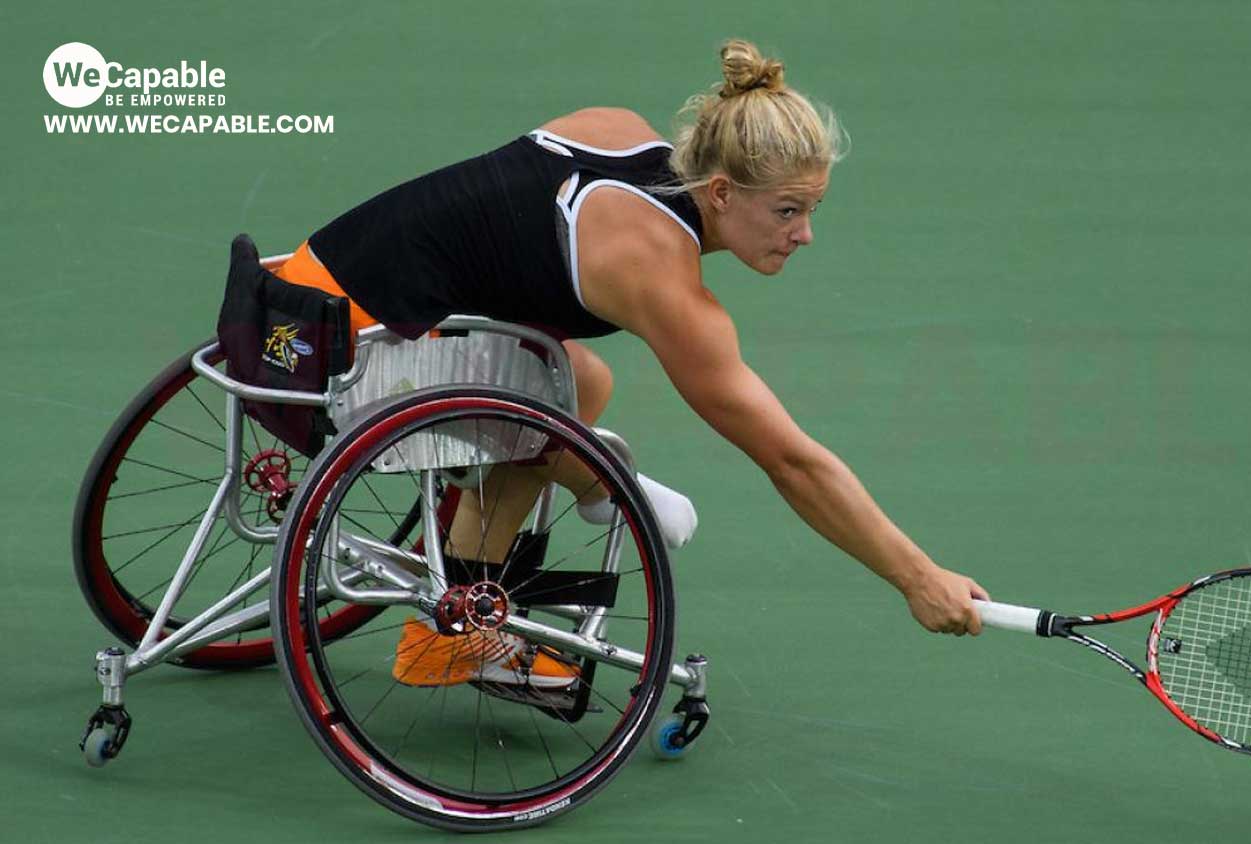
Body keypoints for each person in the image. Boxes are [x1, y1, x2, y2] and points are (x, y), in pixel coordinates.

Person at [270, 39, 991, 689]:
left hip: (285, 313)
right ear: (720, 193)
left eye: (813, 210)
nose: (804, 235)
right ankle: (453, 630)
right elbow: (792, 462)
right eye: (786, 212)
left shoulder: (611, 130)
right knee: (553, 396)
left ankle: (563, 508)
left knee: (581, 378)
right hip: (336, 370)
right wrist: (917, 578)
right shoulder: (661, 279)